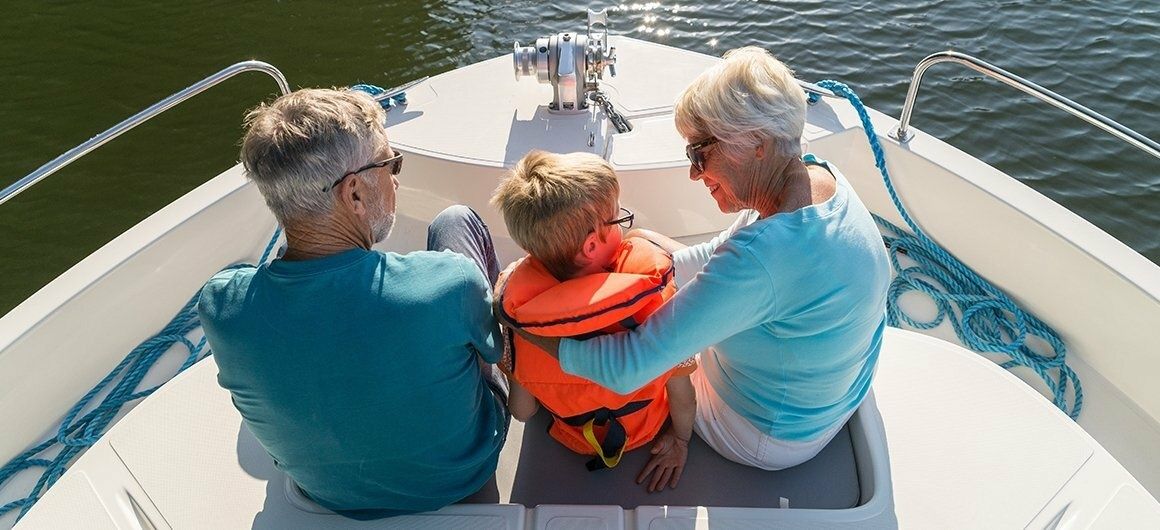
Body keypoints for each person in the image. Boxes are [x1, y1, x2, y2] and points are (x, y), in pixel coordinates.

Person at [503, 47, 891, 471]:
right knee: (643, 241)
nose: (693, 172)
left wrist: (525, 327)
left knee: (654, 365)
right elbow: (714, 255)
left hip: (763, 434)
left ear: (757, 145)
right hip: (835, 398)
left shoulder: (762, 260)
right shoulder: (816, 176)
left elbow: (629, 367)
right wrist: (635, 267)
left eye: (699, 153)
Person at [198, 88, 509, 518]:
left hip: (327, 495)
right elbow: (501, 355)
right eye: (389, 164)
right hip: (460, 480)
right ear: (355, 194)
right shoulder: (449, 282)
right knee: (457, 221)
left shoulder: (221, 306)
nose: (395, 178)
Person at [490, 150, 697, 492]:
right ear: (590, 247)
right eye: (618, 220)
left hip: (575, 437)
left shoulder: (524, 322)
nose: (625, 227)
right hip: (647, 430)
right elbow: (683, 396)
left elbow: (523, 412)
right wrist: (681, 440)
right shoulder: (656, 302)